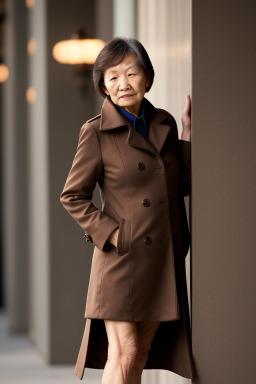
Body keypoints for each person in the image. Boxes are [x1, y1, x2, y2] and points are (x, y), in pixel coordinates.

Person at [60, 37, 194, 383]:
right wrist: (113, 234)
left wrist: (188, 137)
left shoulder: (165, 123)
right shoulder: (95, 132)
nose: (123, 84)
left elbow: (180, 188)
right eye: (113, 77)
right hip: (122, 259)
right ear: (103, 85)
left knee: (142, 354)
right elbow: (73, 195)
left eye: (131, 74)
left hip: (162, 260)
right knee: (125, 352)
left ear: (147, 78)